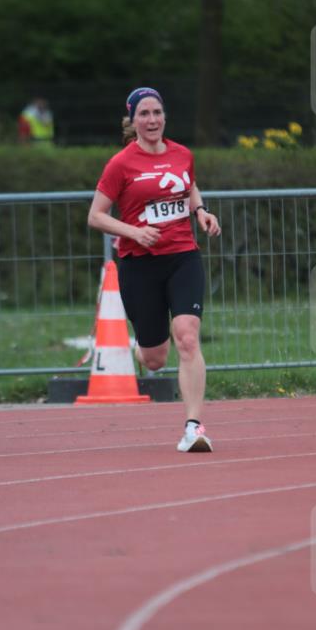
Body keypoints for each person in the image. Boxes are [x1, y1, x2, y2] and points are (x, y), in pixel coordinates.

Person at [88, 86, 221, 452]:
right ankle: (142, 349)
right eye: (144, 114)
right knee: (155, 358)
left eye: (157, 112)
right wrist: (133, 232)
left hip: (183, 257)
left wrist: (201, 211)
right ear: (133, 121)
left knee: (187, 336)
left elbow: (187, 185)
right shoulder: (121, 164)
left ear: (165, 116)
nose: (152, 120)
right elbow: (95, 216)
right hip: (140, 264)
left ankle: (194, 427)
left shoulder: (182, 154)